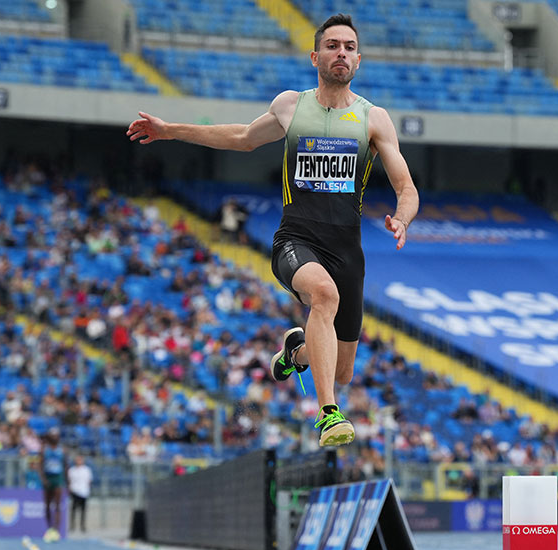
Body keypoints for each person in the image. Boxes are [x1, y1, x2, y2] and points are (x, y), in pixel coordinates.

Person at [127, 13, 419, 447]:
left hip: (347, 250)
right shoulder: (291, 106)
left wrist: (402, 217)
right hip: (296, 240)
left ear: (359, 60)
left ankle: (294, 354)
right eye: (333, 45)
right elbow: (241, 136)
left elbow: (406, 186)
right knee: (324, 295)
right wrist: (171, 131)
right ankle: (327, 413)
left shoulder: (373, 119)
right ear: (315, 55)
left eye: (350, 47)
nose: (341, 53)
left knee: (342, 370)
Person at [40, 430, 67, 542]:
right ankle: (49, 528)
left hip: (58, 479)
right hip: (48, 479)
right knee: (47, 505)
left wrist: (67, 483)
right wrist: (44, 479)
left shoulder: (62, 451)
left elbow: (66, 467)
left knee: (57, 505)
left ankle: (56, 530)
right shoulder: (44, 450)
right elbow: (40, 466)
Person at [67, 455, 93, 534]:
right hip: (75, 491)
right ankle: (72, 525)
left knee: (83, 510)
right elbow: (69, 481)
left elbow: (89, 481)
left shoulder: (86, 470)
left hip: (84, 492)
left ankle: (82, 526)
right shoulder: (72, 470)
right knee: (73, 510)